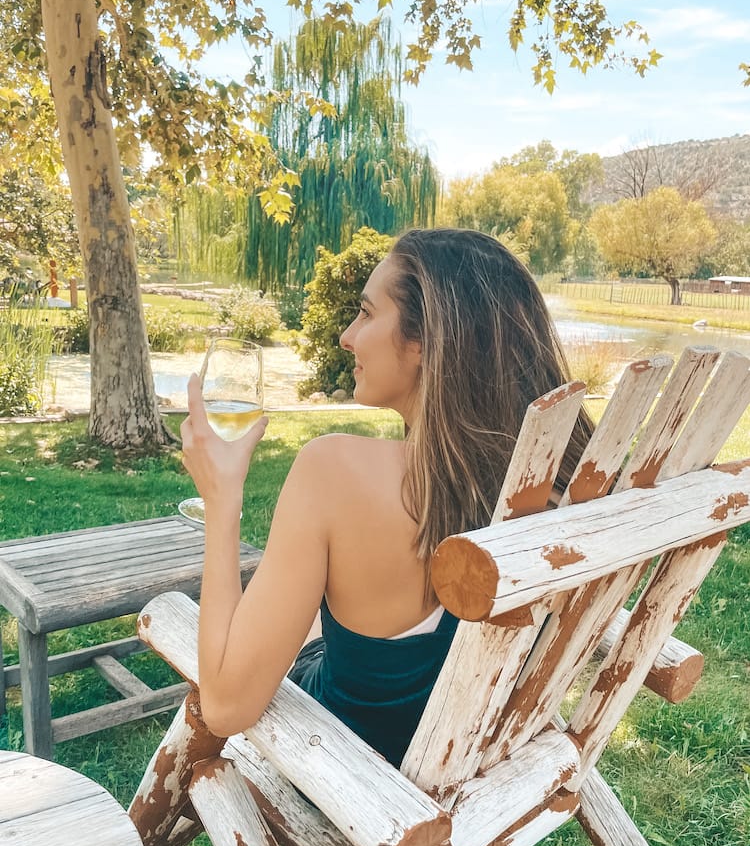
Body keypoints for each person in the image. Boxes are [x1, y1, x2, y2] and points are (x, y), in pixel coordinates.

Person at [180, 228, 592, 767]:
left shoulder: (334, 471)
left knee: (262, 614)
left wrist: (221, 498)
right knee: (298, 593)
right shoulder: (563, 487)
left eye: (367, 314)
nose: (348, 337)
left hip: (349, 776)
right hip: (473, 760)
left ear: (424, 341)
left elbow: (226, 707)